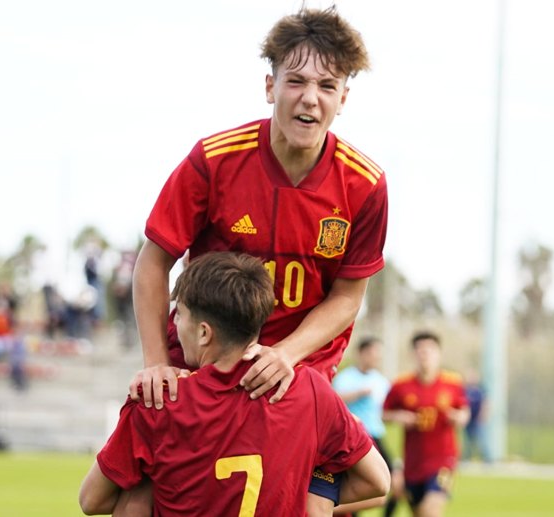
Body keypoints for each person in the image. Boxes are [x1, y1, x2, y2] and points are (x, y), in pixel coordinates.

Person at [129, 7, 387, 511]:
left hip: (297, 378)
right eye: (296, 81)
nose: (310, 97)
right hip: (201, 370)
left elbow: (349, 297)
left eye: (327, 85)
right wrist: (156, 365)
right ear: (270, 87)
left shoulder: (364, 185)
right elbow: (153, 262)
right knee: (135, 499)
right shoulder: (214, 160)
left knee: (313, 507)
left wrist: (285, 354)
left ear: (343, 98)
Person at [80, 252, 389, 516]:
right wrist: (302, 496)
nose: (173, 322)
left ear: (204, 333)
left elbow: (92, 501)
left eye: (180, 314)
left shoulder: (158, 401)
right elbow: (377, 482)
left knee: (137, 488)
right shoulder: (309, 388)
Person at [383, 332, 470, 517]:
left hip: (443, 461)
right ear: (413, 355)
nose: (425, 354)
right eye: (420, 350)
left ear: (439, 354)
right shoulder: (401, 384)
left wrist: (460, 417)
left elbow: (465, 411)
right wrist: (398, 416)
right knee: (420, 513)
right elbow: (383, 414)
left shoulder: (452, 382)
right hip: (413, 464)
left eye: (430, 350)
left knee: (431, 510)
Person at [332, 337, 395, 515]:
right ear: (362, 353)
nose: (376, 357)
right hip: (354, 437)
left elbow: (386, 410)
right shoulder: (346, 378)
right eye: (373, 352)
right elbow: (334, 401)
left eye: (379, 353)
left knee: (394, 483)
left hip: (376, 435)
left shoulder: (381, 381)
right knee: (357, 484)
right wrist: (358, 393)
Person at [463, 368, 491, 463]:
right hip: (468, 419)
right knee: (468, 440)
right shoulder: (465, 389)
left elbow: (486, 402)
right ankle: (467, 458)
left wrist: (483, 415)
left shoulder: (481, 388)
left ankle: (487, 458)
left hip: (477, 419)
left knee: (481, 438)